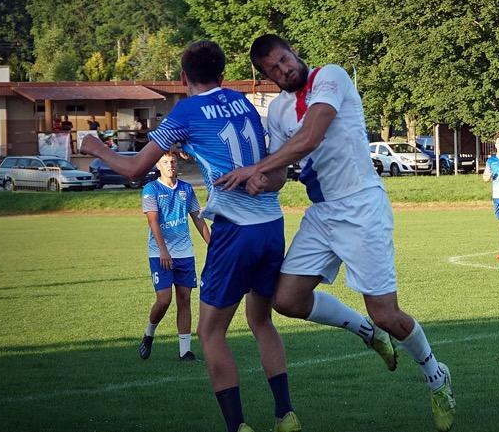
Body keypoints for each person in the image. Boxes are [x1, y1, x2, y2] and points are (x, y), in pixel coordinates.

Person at [213, 34, 456, 432]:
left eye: (284, 59)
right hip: (322, 213)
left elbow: (311, 136)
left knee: (387, 314)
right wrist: (259, 181)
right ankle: (365, 331)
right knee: (286, 299)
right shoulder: (278, 110)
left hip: (361, 207)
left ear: (294, 51)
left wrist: (256, 169)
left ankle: (435, 374)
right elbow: (278, 174)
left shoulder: (331, 76)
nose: (283, 70)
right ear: (266, 77)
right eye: (273, 69)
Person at [80, 41, 301, 432]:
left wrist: (95, 147)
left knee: (210, 332)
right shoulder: (242, 101)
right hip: (271, 224)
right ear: (222, 74)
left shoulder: (185, 111)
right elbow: (224, 143)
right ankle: (286, 415)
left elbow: (134, 169)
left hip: (234, 229)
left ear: (183, 78)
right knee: (261, 321)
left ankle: (238, 427)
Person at [138, 151, 211, 362]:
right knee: (164, 300)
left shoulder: (186, 189)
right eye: (165, 162)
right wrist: (163, 250)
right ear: (158, 166)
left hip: (185, 253)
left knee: (185, 299)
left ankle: (185, 351)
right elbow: (153, 221)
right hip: (159, 253)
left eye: (173, 161)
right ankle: (149, 334)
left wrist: (213, 245)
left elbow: (198, 218)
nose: (170, 165)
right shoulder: (151, 189)